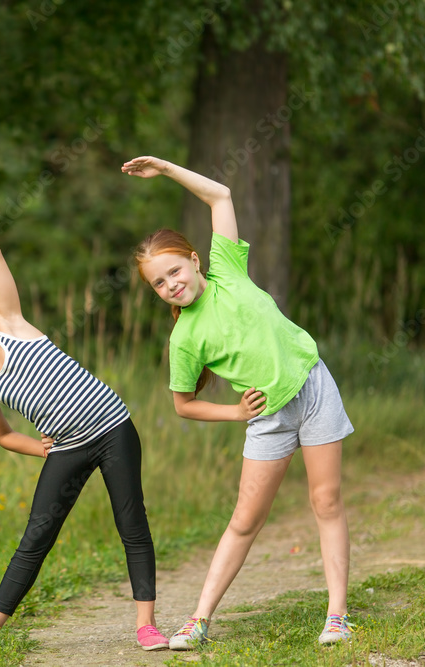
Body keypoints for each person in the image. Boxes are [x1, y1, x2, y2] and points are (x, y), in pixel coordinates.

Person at [121, 155, 355, 649]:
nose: (171, 285)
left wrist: (165, 169)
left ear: (194, 260)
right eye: (159, 283)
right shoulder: (184, 339)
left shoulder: (227, 270)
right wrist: (235, 412)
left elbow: (220, 195)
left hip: (313, 388)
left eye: (174, 271)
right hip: (268, 418)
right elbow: (183, 404)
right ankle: (199, 620)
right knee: (245, 521)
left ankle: (337, 616)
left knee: (326, 500)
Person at [0, 240, 169, 652]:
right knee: (36, 537)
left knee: (131, 523)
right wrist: (42, 450)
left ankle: (146, 625)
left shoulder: (14, 327)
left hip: (113, 429)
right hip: (67, 448)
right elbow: (4, 436)